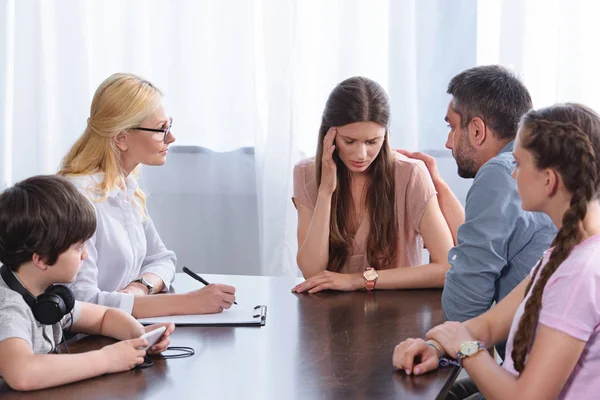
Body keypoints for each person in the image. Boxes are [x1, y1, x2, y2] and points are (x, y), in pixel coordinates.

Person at [393, 103, 600, 400]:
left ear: (548, 179)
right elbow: (490, 325)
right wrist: (437, 346)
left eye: (518, 163)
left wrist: (465, 348)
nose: (513, 175)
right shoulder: (566, 251)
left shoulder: (580, 273)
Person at [399, 66, 556, 357]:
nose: (448, 142)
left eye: (451, 127)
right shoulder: (541, 169)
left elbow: (465, 306)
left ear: (477, 130)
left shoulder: (501, 171)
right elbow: (490, 244)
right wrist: (439, 187)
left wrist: (438, 345)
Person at [59, 73, 235, 318]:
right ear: (121, 138)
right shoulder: (77, 199)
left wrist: (139, 288)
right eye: (162, 129)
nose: (171, 138)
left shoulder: (126, 188)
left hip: (116, 330)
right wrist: (187, 303)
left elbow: (162, 258)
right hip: (77, 343)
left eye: (169, 126)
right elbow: (81, 302)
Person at [0, 175, 174, 391]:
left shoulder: (48, 295)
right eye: (79, 247)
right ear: (42, 258)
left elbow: (104, 317)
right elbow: (22, 373)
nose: (84, 256)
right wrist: (107, 359)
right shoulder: (8, 307)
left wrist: (139, 336)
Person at [291, 76, 453, 294]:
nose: (361, 154)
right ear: (330, 134)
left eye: (371, 142)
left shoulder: (411, 174)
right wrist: (325, 191)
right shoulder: (306, 173)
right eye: (349, 141)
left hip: (399, 314)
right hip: (331, 316)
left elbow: (447, 268)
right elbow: (312, 271)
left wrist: (358, 280)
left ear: (385, 135)